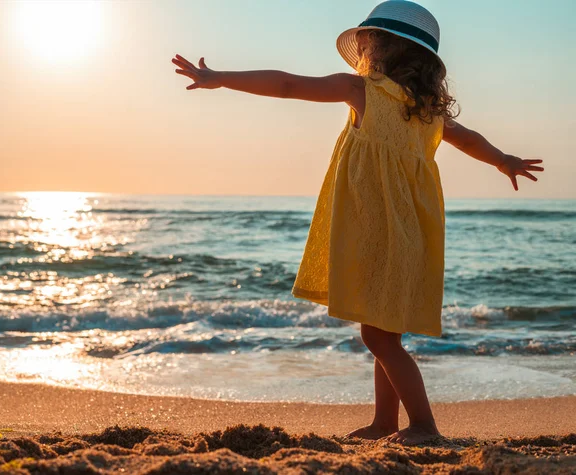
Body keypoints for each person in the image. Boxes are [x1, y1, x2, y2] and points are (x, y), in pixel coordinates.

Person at [171, 0, 544, 445]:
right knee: (383, 329)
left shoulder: (361, 90)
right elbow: (469, 140)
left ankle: (424, 425)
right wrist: (504, 161)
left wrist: (219, 79)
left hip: (379, 230)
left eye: (367, 40)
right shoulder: (426, 113)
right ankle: (384, 423)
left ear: (381, 48)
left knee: (379, 337)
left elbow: (289, 85)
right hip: (412, 233)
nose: (362, 48)